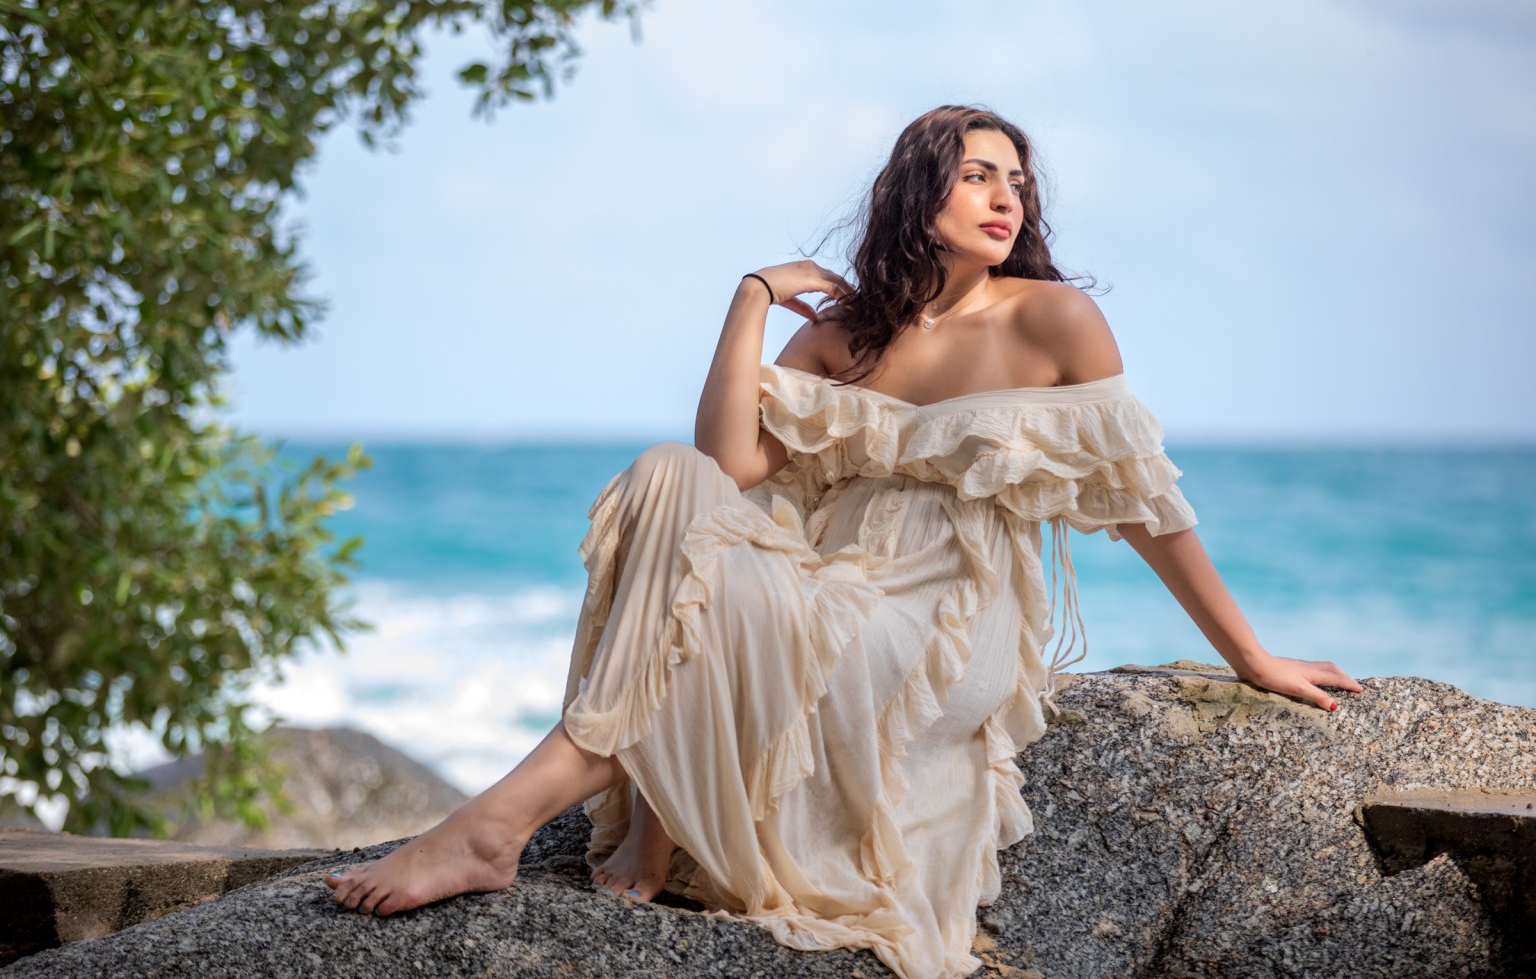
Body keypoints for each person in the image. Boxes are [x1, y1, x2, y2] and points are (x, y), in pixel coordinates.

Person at [325, 105, 1362, 979]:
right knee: (663, 476)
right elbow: (723, 469)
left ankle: (511, 824)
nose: (1008, 198)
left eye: (1019, 182)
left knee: (715, 556)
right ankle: (616, 813)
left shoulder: (1053, 319)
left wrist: (1248, 656)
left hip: (940, 624)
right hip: (817, 585)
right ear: (919, 195)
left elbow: (1145, 503)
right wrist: (751, 300)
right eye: (978, 176)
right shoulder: (844, 334)